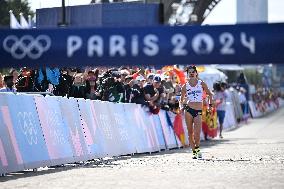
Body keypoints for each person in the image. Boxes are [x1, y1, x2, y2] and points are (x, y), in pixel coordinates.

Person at [180, 65, 213, 159]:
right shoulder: (184, 86)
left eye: (192, 72)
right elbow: (181, 100)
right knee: (190, 132)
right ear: (187, 74)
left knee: (197, 133)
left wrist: (210, 105)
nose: (191, 73)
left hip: (198, 110)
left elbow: (210, 94)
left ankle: (197, 148)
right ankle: (194, 151)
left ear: (196, 73)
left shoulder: (201, 83)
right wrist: (181, 106)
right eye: (189, 72)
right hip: (188, 110)